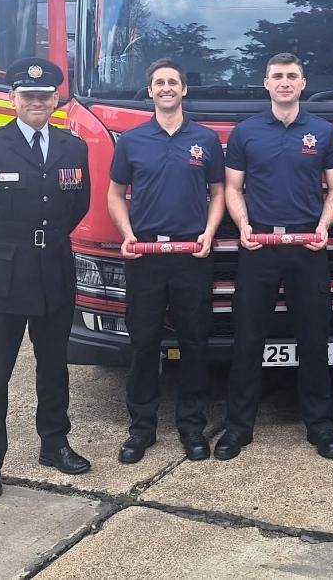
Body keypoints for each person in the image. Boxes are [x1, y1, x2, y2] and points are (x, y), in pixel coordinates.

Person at [0, 57, 91, 500]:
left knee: (53, 368)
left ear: (55, 100)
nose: (36, 102)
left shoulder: (72, 147)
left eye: (45, 96)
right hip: (1, 278)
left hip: (54, 274)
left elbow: (78, 205)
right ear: (12, 98)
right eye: (27, 96)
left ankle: (54, 443)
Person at [214, 53, 333, 460]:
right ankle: (238, 428)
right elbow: (233, 189)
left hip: (308, 248)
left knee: (313, 338)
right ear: (266, 83)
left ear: (303, 83)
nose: (285, 82)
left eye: (292, 76)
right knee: (248, 339)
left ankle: (321, 427)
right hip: (259, 250)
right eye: (277, 76)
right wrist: (244, 227)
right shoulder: (246, 132)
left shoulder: (324, 133)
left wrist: (324, 227)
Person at [108, 58, 225, 464]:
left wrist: (209, 234)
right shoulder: (132, 141)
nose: (166, 88)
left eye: (173, 82)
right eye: (159, 83)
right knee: (144, 345)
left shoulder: (206, 139)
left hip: (192, 256)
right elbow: (115, 194)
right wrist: (127, 235)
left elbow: (219, 192)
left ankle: (192, 428)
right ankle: (141, 429)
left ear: (184, 90)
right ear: (151, 91)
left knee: (195, 343)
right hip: (146, 258)